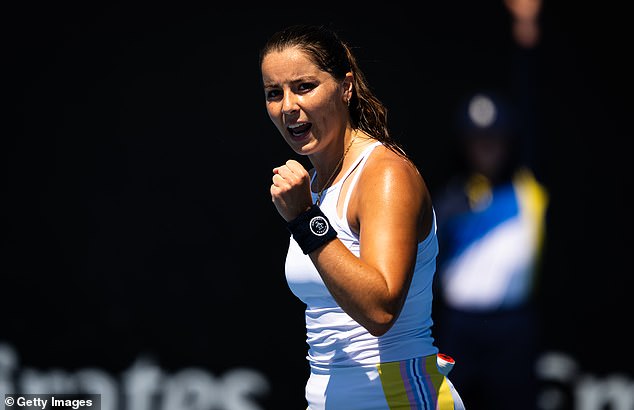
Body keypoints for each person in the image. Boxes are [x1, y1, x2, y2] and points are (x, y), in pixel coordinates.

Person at [260, 24, 465, 410]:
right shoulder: (318, 181)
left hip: (400, 397)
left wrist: (305, 219)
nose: (287, 106)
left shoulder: (386, 174)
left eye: (304, 86)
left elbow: (380, 308)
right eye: (274, 93)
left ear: (346, 87)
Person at [432, 89, 549, 410]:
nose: (486, 148)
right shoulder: (449, 198)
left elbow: (532, 103)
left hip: (513, 328)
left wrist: (527, 50)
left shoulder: (528, 187)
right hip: (457, 328)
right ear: (463, 145)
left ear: (508, 141)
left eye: (494, 138)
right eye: (476, 139)